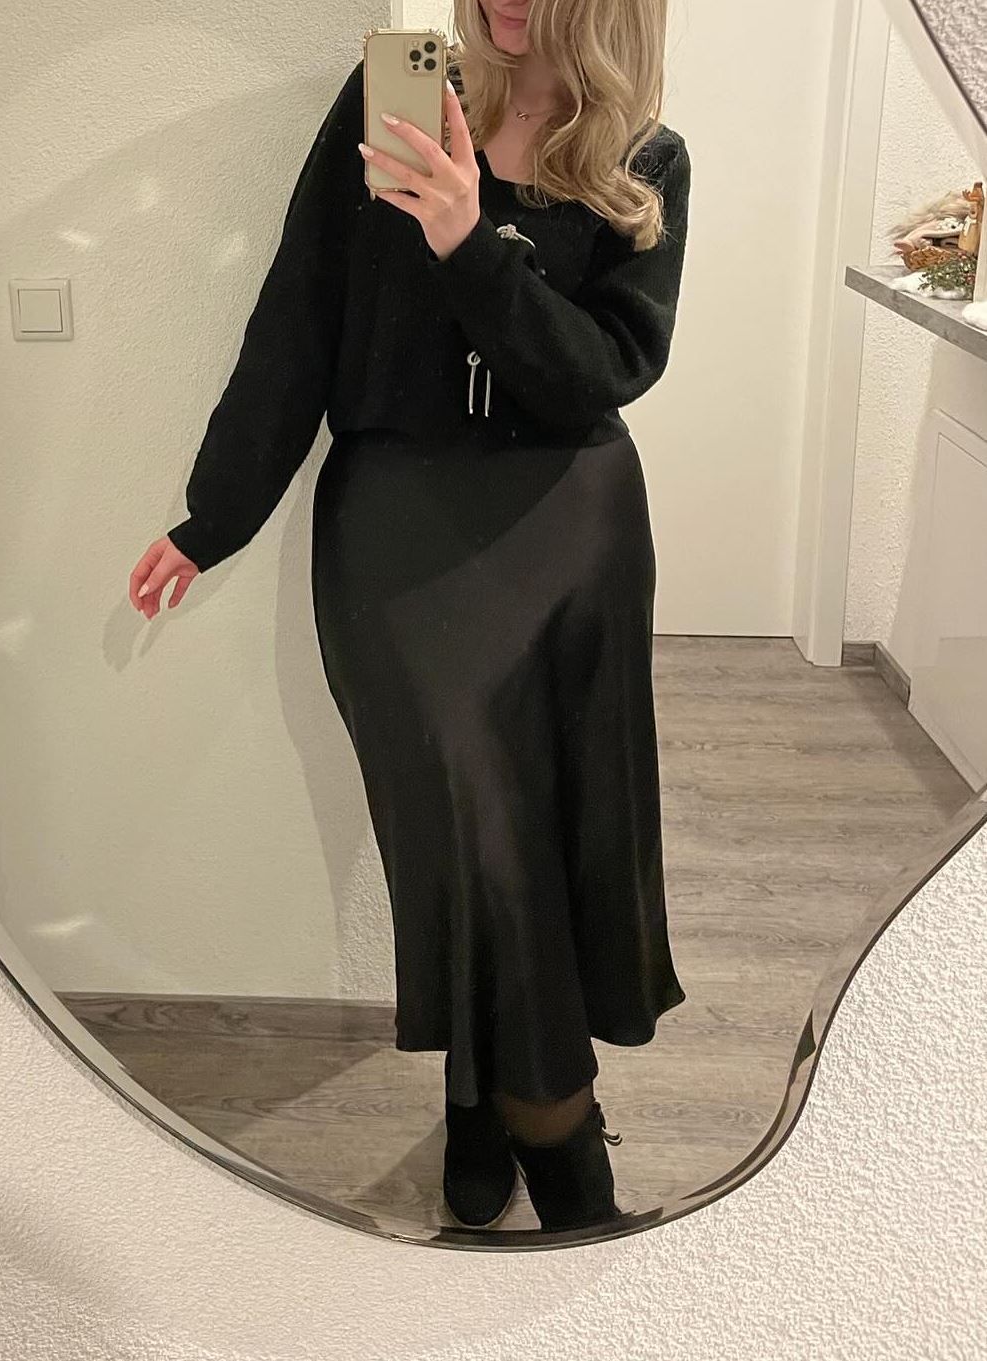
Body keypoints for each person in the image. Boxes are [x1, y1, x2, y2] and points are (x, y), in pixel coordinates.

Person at [128, 0, 691, 1235]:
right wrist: (215, 513)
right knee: (470, 832)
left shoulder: (642, 158)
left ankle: (486, 1099)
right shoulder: (390, 108)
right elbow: (299, 314)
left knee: (538, 841)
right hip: (394, 526)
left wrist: (467, 241)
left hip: (570, 532)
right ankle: (571, 1170)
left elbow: (604, 373)